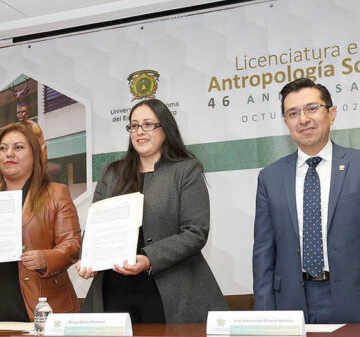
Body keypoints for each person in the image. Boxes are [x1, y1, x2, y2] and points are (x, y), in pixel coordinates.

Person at [77, 99, 228, 323]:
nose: (140, 131)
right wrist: (87, 258)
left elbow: (195, 232)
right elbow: (94, 227)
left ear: (165, 129)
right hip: (113, 291)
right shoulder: (111, 173)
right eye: (134, 125)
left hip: (168, 292)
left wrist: (149, 258)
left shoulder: (186, 170)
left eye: (148, 124)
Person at [253, 77, 360, 323]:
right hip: (291, 303)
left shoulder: (357, 165)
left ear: (331, 114)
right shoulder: (270, 177)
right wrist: (263, 315)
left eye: (312, 108)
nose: (303, 119)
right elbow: (263, 253)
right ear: (286, 122)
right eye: (293, 113)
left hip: (352, 297)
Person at [0, 123, 81, 321]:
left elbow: (72, 246)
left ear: (35, 156)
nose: (9, 154)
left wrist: (45, 258)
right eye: (3, 148)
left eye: (18, 147)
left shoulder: (55, 193)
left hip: (41, 305)